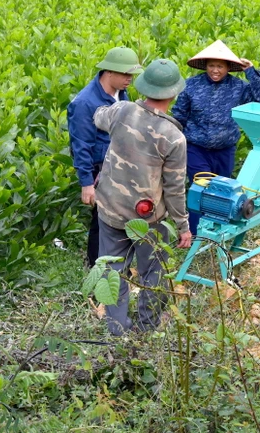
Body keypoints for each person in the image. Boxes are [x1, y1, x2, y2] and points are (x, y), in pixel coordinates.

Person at [93, 59, 192, 336]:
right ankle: (146, 329)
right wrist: (183, 227)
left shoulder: (122, 110)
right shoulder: (173, 137)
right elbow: (174, 189)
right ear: (173, 94)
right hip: (147, 219)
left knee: (112, 271)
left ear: (144, 87)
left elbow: (99, 115)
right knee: (155, 272)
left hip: (110, 209)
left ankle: (116, 329)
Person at [171, 40, 260, 235]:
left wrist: (251, 71)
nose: (215, 70)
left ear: (228, 68)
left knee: (223, 193)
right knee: (201, 190)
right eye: (211, 65)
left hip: (225, 150)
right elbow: (179, 115)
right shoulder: (191, 85)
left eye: (220, 66)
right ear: (205, 66)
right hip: (196, 149)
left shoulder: (238, 87)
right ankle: (196, 235)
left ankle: (218, 234)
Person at [67, 47, 143, 269]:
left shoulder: (120, 93)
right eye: (125, 74)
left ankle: (119, 267)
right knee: (101, 223)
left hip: (118, 167)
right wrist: (87, 184)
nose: (129, 79)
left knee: (121, 219)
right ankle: (96, 269)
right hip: (100, 170)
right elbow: (80, 146)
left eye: (132, 75)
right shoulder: (85, 103)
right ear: (108, 72)